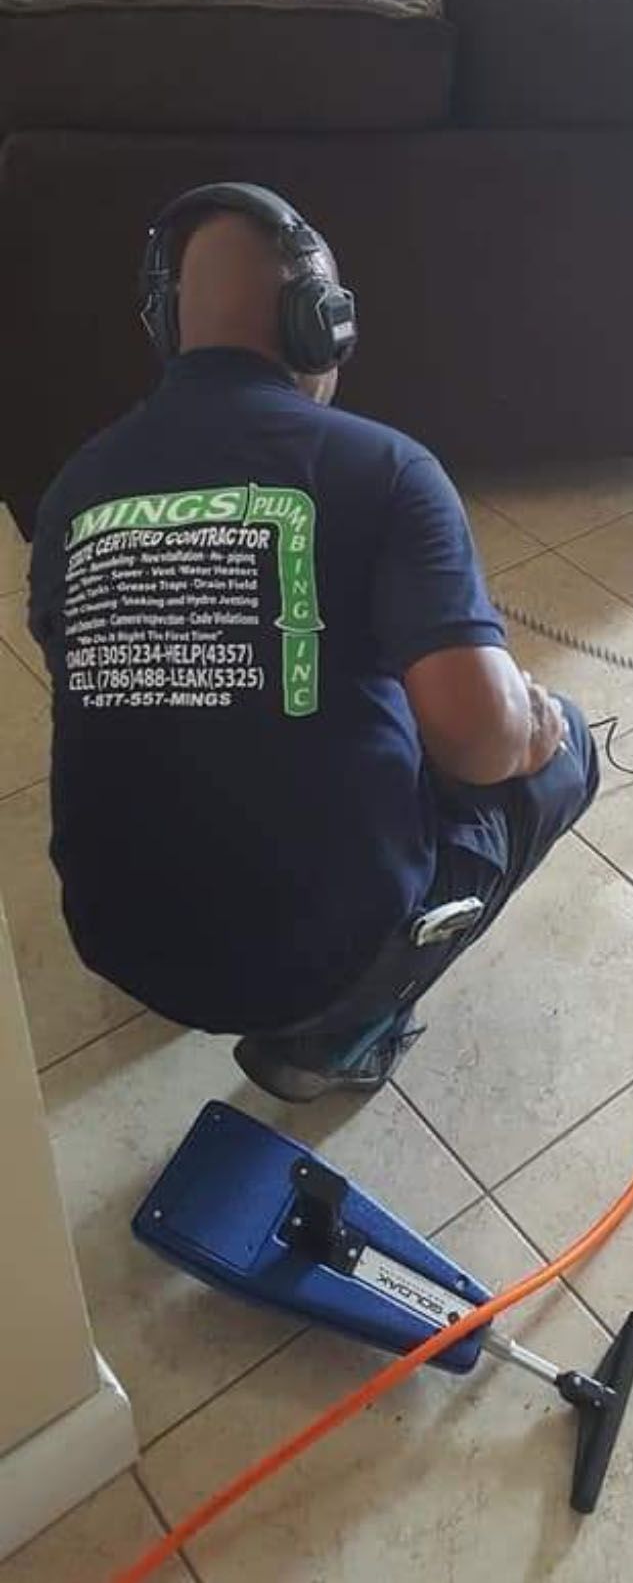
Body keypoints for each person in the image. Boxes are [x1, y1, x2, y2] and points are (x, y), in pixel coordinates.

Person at [29, 183, 598, 1102]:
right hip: (301, 962)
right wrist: (527, 729)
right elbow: (483, 747)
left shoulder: (70, 494)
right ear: (320, 326)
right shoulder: (386, 467)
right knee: (562, 752)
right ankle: (329, 1043)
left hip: (120, 943)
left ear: (170, 329)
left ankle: (237, 974)